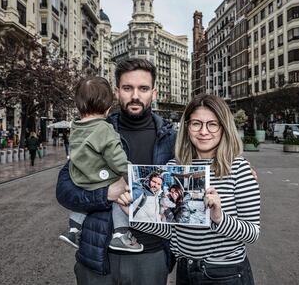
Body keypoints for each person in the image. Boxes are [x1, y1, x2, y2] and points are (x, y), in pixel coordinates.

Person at [56, 58, 176, 285]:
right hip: (98, 257)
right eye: (128, 88)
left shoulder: (171, 137)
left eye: (143, 88)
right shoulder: (94, 130)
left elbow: (201, 166)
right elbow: (64, 191)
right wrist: (106, 194)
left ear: (154, 92)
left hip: (151, 254)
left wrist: (236, 165)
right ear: (116, 92)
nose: (135, 96)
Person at [131, 94, 260, 285]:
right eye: (196, 124)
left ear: (223, 128)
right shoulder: (174, 166)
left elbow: (252, 233)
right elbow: (172, 230)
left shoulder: (238, 167)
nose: (204, 131)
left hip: (225, 273)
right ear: (187, 127)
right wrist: (134, 214)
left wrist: (218, 217)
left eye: (212, 124)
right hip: (185, 270)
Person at [58, 77, 142, 252]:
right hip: (103, 180)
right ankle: (120, 235)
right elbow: (116, 159)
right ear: (108, 108)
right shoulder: (105, 129)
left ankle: (73, 230)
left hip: (80, 178)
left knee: (85, 202)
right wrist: (131, 174)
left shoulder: (76, 127)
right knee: (120, 198)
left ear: (79, 105)